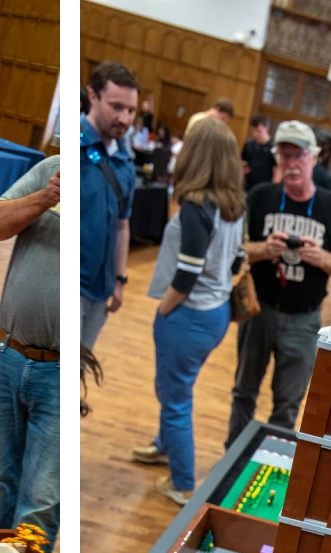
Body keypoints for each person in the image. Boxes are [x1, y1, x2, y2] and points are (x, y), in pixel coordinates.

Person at [132, 119, 244, 506]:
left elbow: (189, 270)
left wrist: (166, 308)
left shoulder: (198, 205)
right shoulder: (233, 205)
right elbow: (236, 260)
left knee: (175, 396)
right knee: (174, 387)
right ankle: (165, 444)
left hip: (190, 314)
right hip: (215, 313)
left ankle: (182, 482)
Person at [225, 120, 331, 447]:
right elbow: (237, 248)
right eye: (284, 156)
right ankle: (232, 460)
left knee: (287, 403)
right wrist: (263, 249)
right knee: (243, 392)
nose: (291, 164)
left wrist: (321, 258)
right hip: (258, 311)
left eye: (298, 156)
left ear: (314, 158)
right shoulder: (261, 196)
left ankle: (269, 460)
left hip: (304, 320)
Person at [0, 154, 62, 540]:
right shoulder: (53, 168)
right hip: (4, 353)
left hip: (60, 370)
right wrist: (44, 198)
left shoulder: (112, 191)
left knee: (40, 504)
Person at [80, 61, 137, 351]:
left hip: (100, 292)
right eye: (116, 107)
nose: (124, 119)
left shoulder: (126, 163)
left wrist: (119, 279)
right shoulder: (68, 144)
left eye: (131, 111)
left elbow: (122, 225)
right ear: (93, 97)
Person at [242, 115, 276, 191]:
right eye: (253, 131)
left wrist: (272, 189)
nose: (255, 134)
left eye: (258, 131)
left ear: (266, 128)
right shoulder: (248, 145)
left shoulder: (274, 149)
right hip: (247, 185)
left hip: (264, 187)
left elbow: (276, 171)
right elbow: (242, 161)